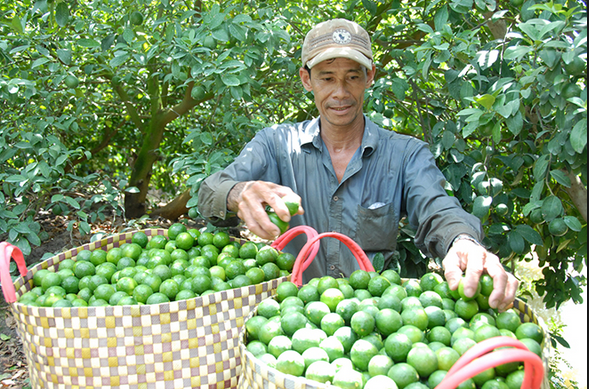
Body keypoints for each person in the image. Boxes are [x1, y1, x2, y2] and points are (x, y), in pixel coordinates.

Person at [198, 18, 518, 311]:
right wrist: (238, 192)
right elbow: (211, 189)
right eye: (327, 78)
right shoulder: (275, 144)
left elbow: (438, 209)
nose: (340, 92)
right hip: (292, 320)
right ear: (306, 79)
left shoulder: (405, 154)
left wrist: (462, 240)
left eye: (352, 77)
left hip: (373, 322)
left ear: (370, 77)